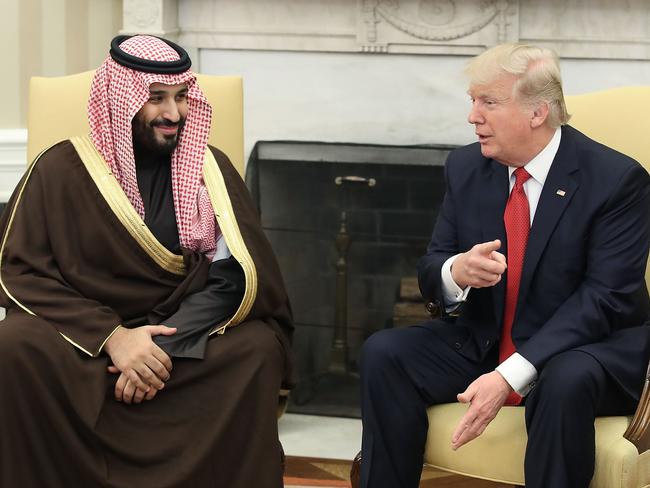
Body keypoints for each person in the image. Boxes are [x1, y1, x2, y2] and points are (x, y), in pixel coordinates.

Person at [0, 35, 293, 488]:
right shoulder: (58, 169)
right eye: (156, 99)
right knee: (15, 344)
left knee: (255, 349)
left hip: (179, 340)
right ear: (120, 100)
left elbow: (236, 277)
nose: (173, 114)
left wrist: (158, 351)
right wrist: (112, 337)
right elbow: (19, 270)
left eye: (181, 98)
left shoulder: (209, 170)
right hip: (85, 341)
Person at [359, 43, 650, 488]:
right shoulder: (466, 167)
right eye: (472, 101)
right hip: (488, 339)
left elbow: (604, 299)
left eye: (489, 102)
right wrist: (455, 273)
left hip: (590, 348)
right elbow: (433, 263)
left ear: (538, 113)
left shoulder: (616, 180)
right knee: (385, 353)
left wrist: (508, 375)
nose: (473, 116)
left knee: (563, 379)